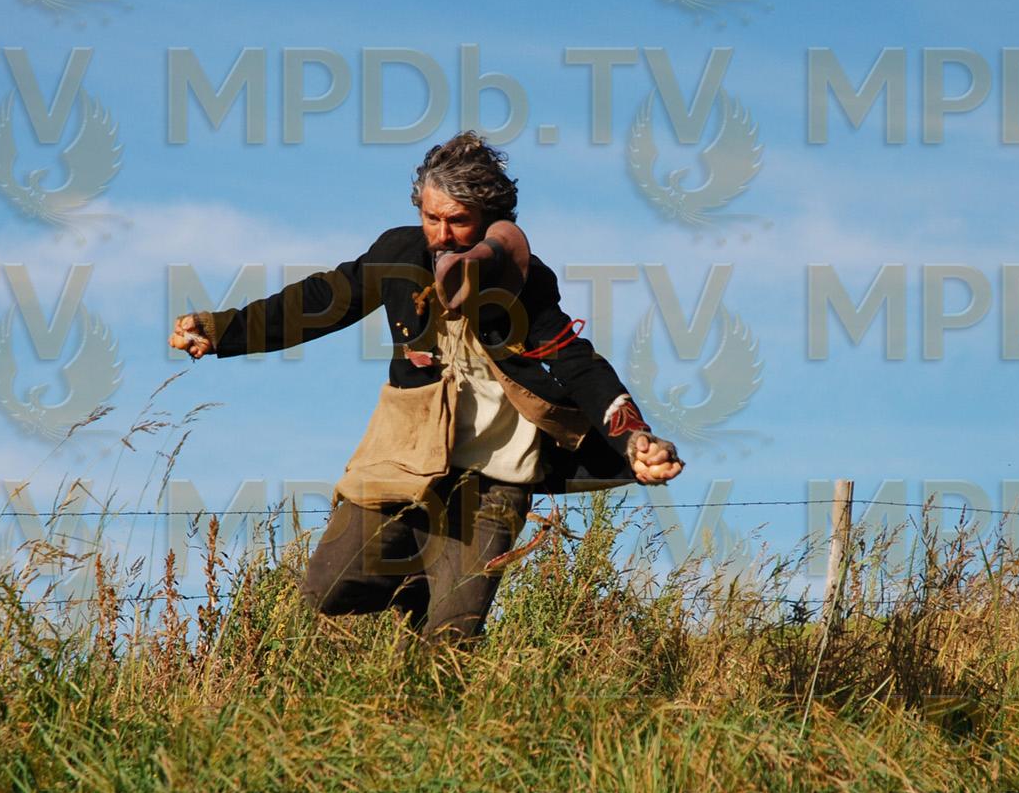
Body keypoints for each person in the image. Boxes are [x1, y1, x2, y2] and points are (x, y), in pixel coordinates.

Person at [169, 131, 683, 646]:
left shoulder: (525, 280)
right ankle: (416, 584)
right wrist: (223, 330)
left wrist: (633, 437)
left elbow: (578, 363)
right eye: (431, 217)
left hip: (495, 478)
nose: (441, 234)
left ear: (489, 216)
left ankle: (433, 656)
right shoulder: (399, 253)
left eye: (457, 220)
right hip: (405, 457)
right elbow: (320, 301)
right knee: (327, 588)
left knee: (451, 639)